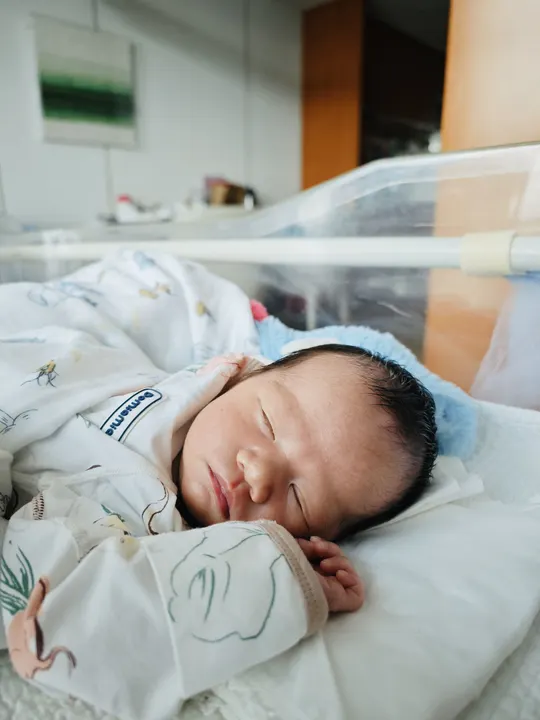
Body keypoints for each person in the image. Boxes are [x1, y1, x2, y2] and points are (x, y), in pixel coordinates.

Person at [0, 254, 437, 719]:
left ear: (312, 538)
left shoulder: (162, 543)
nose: (258, 475)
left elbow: (75, 619)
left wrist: (279, 576)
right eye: (267, 423)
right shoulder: (170, 386)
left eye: (299, 497)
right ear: (240, 377)